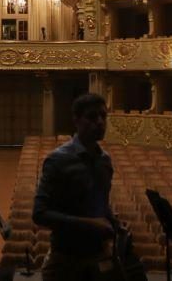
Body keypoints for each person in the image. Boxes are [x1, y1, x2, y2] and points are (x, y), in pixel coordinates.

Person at [33, 93, 120, 281]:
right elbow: (40, 213)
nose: (99, 122)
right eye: (92, 117)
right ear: (76, 120)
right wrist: (90, 224)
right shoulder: (58, 160)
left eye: (103, 116)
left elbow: (100, 204)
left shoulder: (105, 161)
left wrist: (112, 223)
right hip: (66, 259)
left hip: (99, 257)